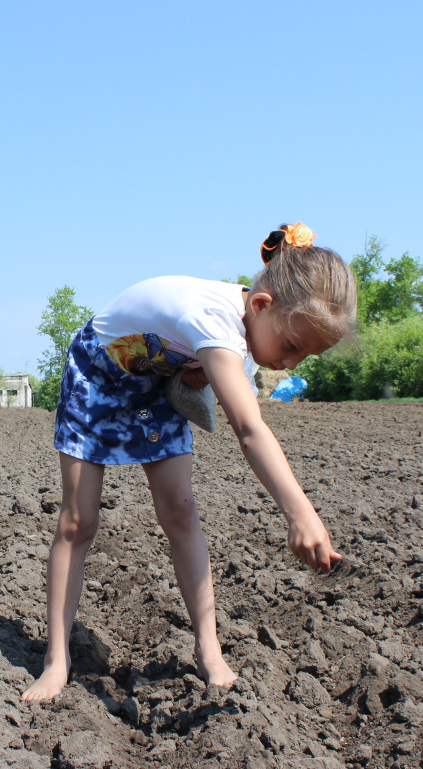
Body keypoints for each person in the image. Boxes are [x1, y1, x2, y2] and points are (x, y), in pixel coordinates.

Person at [21, 223, 357, 702]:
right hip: (98, 375)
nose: (291, 364)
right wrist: (301, 514)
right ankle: (56, 661)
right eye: (291, 347)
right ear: (261, 306)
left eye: (305, 355)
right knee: (79, 520)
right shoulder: (214, 321)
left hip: (155, 380)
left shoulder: (251, 325)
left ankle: (209, 650)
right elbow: (249, 429)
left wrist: (195, 374)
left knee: (180, 509)